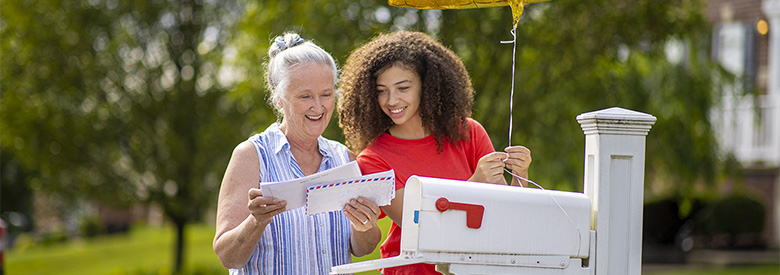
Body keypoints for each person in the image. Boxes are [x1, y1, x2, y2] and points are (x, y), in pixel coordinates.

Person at [338, 31, 532, 275]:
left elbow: (502, 215)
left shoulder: (468, 132)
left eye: (403, 87)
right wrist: (475, 183)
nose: (391, 100)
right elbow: (418, 227)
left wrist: (520, 176)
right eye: (381, 90)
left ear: (427, 86)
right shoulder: (374, 159)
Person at [213, 32, 381, 275]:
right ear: (279, 98)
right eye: (305, 96)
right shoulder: (251, 155)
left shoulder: (344, 158)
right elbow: (228, 257)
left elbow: (362, 248)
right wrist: (256, 222)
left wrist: (364, 226)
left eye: (326, 94)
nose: (318, 106)